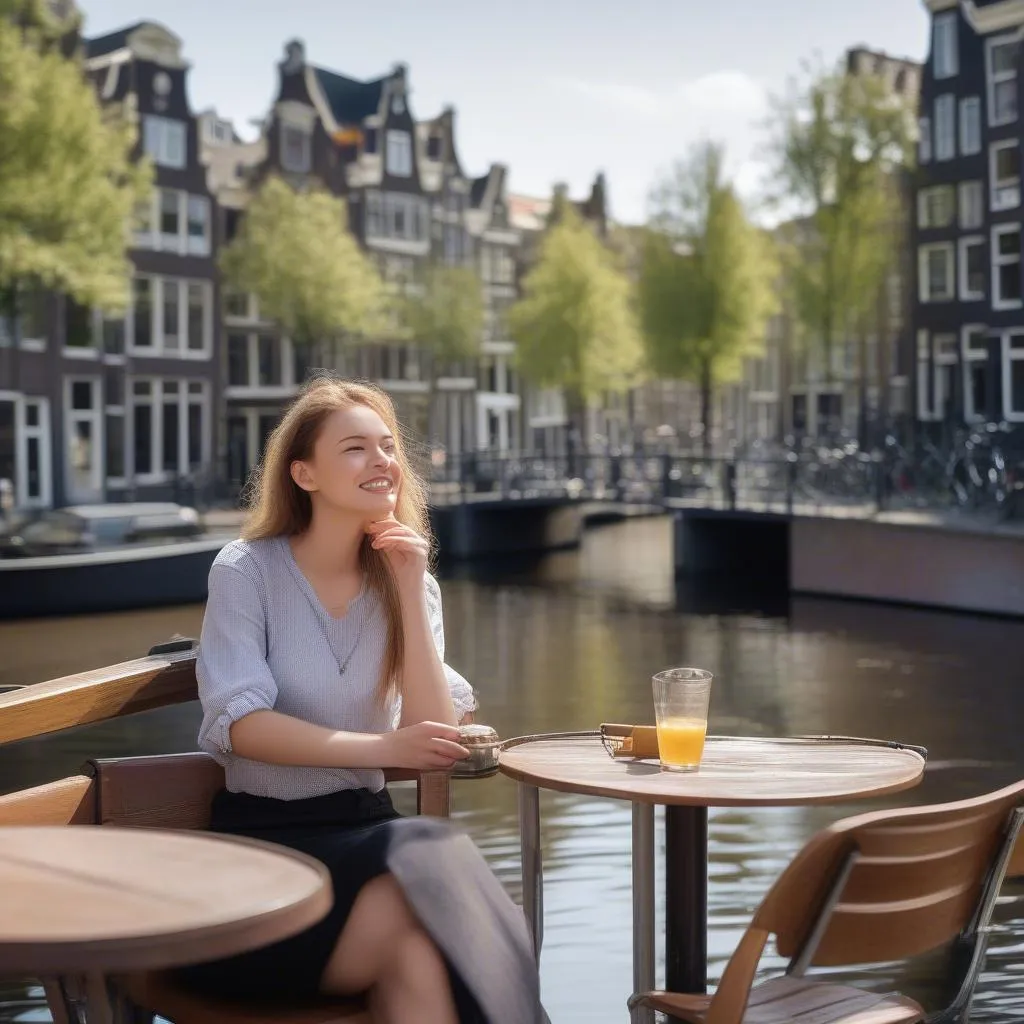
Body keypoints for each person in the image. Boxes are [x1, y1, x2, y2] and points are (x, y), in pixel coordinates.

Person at [176, 376, 544, 1023]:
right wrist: (381, 746)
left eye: (388, 446)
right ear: (304, 474)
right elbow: (240, 725)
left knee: (421, 958)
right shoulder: (246, 571)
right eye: (355, 448)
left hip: (372, 842)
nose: (383, 462)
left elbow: (434, 735)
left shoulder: (409, 579)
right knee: (435, 852)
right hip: (266, 858)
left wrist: (406, 586)